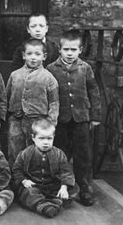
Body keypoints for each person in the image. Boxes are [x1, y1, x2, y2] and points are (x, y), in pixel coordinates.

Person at [47, 30, 101, 206]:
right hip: (60, 119)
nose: (69, 53)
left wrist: (95, 116)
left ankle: (84, 188)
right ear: (60, 50)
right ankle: (61, 187)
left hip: (81, 118)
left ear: (80, 49)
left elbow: (93, 91)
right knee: (60, 152)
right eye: (66, 49)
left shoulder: (85, 68)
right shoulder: (51, 69)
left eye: (73, 49)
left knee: (82, 154)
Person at [6, 38, 59, 165]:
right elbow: (6, 97)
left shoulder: (49, 78)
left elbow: (54, 103)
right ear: (24, 55)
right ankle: (16, 180)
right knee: (15, 148)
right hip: (16, 119)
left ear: (44, 56)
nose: (33, 58)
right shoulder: (15, 75)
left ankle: (34, 179)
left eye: (37, 54)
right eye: (29, 54)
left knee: (36, 151)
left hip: (38, 121)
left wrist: (50, 123)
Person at [12, 118, 78, 218]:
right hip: (34, 185)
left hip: (52, 185)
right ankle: (45, 206)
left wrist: (63, 187)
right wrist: (24, 181)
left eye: (49, 138)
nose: (46, 142)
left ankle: (54, 201)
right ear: (33, 138)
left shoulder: (59, 154)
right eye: (41, 138)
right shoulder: (26, 153)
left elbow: (66, 172)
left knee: (74, 189)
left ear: (53, 137)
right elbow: (16, 169)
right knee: (26, 192)